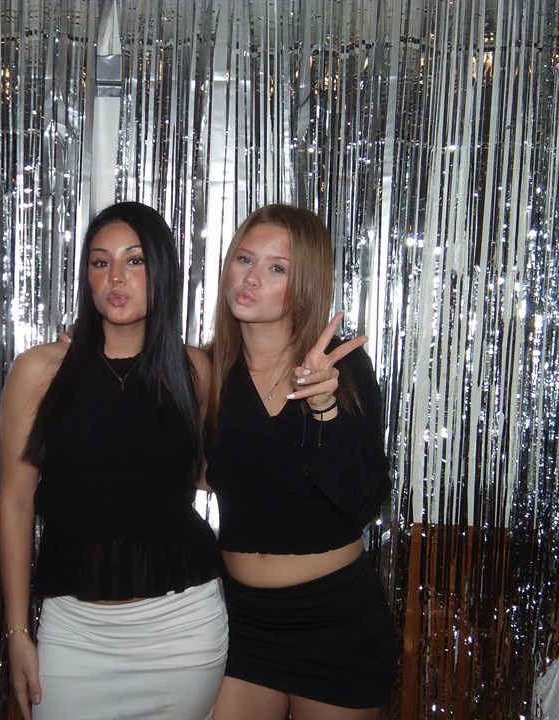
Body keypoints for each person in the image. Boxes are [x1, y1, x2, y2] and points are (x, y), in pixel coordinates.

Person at [0, 201, 228, 720]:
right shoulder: (39, 372)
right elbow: (15, 502)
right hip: (74, 633)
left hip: (184, 631)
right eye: (101, 262)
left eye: (135, 260)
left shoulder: (194, 369)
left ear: (162, 270)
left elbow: (208, 474)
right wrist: (16, 632)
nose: (116, 277)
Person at [204, 204, 398, 720]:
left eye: (277, 268)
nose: (251, 277)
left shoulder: (342, 367)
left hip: (336, 622)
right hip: (242, 622)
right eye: (244, 258)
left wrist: (324, 407)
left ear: (304, 286)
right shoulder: (207, 370)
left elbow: (362, 500)